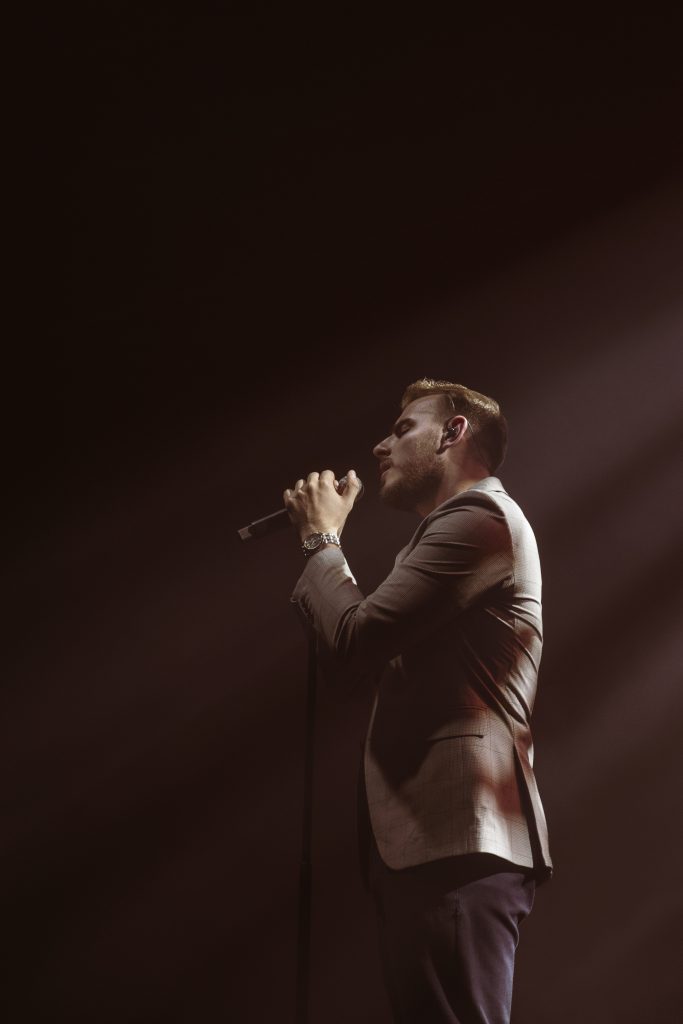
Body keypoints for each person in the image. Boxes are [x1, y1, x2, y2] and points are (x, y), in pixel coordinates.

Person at [284, 378, 552, 1024]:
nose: (381, 446)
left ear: (453, 432)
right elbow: (355, 654)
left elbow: (355, 638)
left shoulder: (479, 519)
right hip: (433, 841)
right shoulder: (445, 535)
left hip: (457, 837)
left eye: (403, 428)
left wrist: (321, 540)